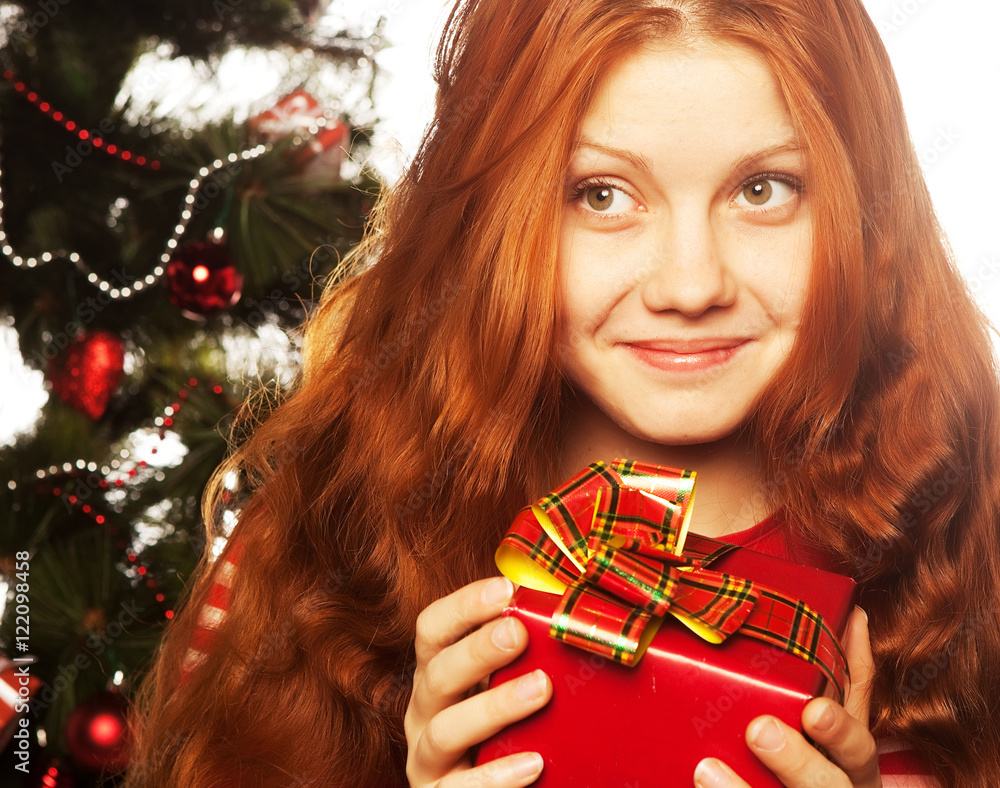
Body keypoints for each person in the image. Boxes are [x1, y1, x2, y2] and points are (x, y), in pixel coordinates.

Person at [127, 0, 1000, 786]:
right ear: (494, 220)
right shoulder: (321, 535)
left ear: (866, 217)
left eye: (762, 190)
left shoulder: (965, 542)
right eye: (601, 195)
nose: (690, 285)